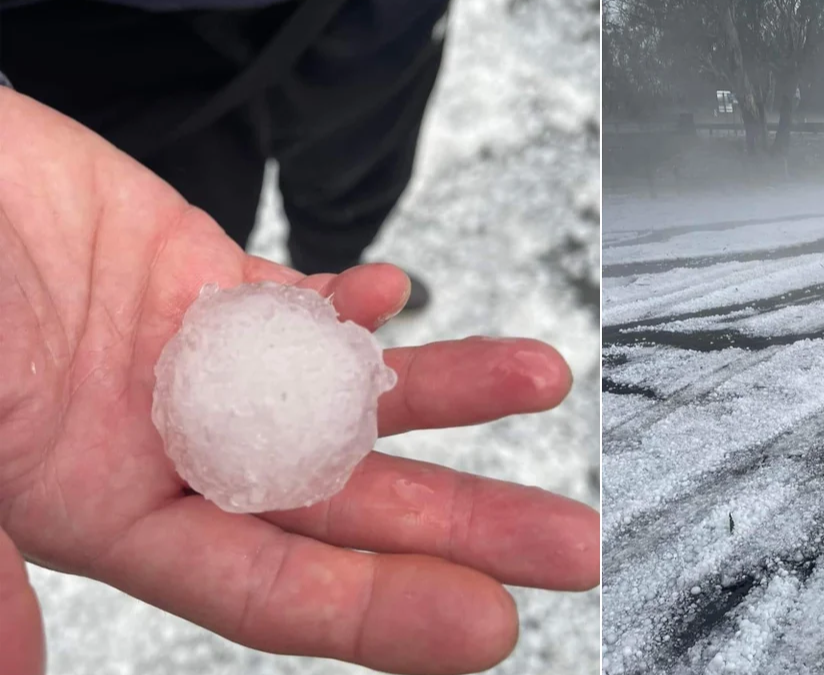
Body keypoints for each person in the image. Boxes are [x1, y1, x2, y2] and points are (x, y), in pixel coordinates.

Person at [0, 36, 599, 675]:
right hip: (110, 39)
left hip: (365, 26)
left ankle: (335, 247)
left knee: (354, 166)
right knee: (187, 186)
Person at [0, 0, 443, 309]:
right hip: (94, 30)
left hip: (380, 18)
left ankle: (335, 270)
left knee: (354, 168)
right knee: (178, 263)